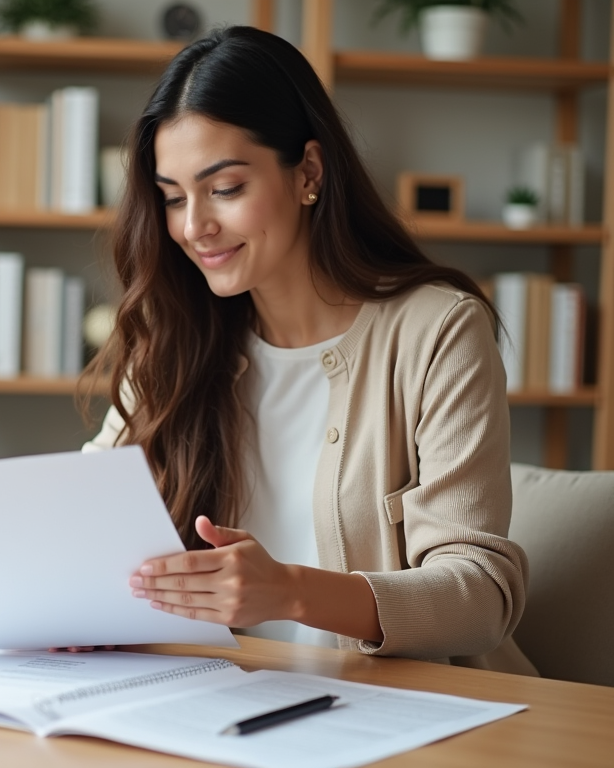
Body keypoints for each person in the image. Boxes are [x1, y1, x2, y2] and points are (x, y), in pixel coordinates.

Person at [80, 26, 536, 675]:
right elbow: (85, 509)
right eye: (173, 196)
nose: (192, 226)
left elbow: (481, 596)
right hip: (226, 702)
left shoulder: (437, 330)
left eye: (226, 188)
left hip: (414, 711)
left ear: (309, 173)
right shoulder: (175, 333)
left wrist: (290, 592)